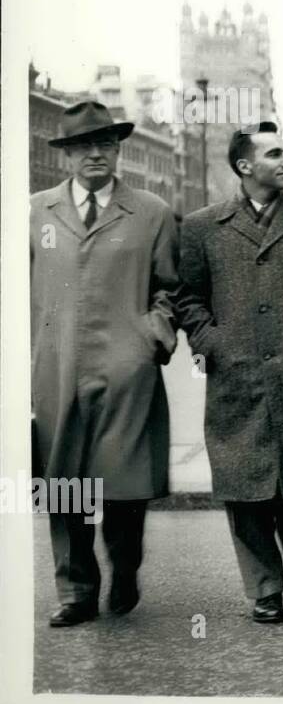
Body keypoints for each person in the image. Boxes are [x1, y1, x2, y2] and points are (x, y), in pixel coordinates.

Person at [176, 122, 283, 624]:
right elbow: (189, 297)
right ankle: (265, 587)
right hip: (236, 379)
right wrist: (210, 341)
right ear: (245, 167)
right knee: (243, 490)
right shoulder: (203, 226)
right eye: (275, 154)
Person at [31, 102, 180, 627]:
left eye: (106, 145)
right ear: (68, 153)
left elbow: (170, 288)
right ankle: (75, 590)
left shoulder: (152, 212)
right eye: (84, 146)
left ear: (117, 151)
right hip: (55, 368)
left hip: (127, 366)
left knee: (123, 482)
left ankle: (125, 566)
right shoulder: (35, 212)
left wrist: (151, 338)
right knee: (63, 482)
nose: (96, 154)